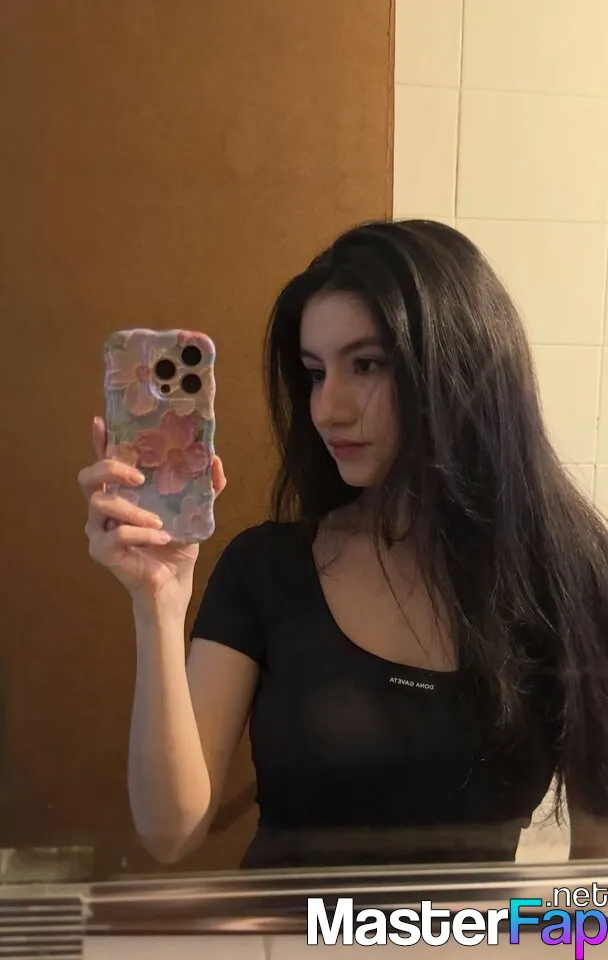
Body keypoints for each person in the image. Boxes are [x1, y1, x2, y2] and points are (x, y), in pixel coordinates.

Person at [78, 219, 608, 869]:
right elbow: (170, 834)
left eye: (365, 365)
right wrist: (157, 605)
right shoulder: (265, 569)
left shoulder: (575, 583)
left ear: (460, 367)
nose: (328, 408)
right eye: (314, 372)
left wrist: (525, 923)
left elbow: (596, 877)